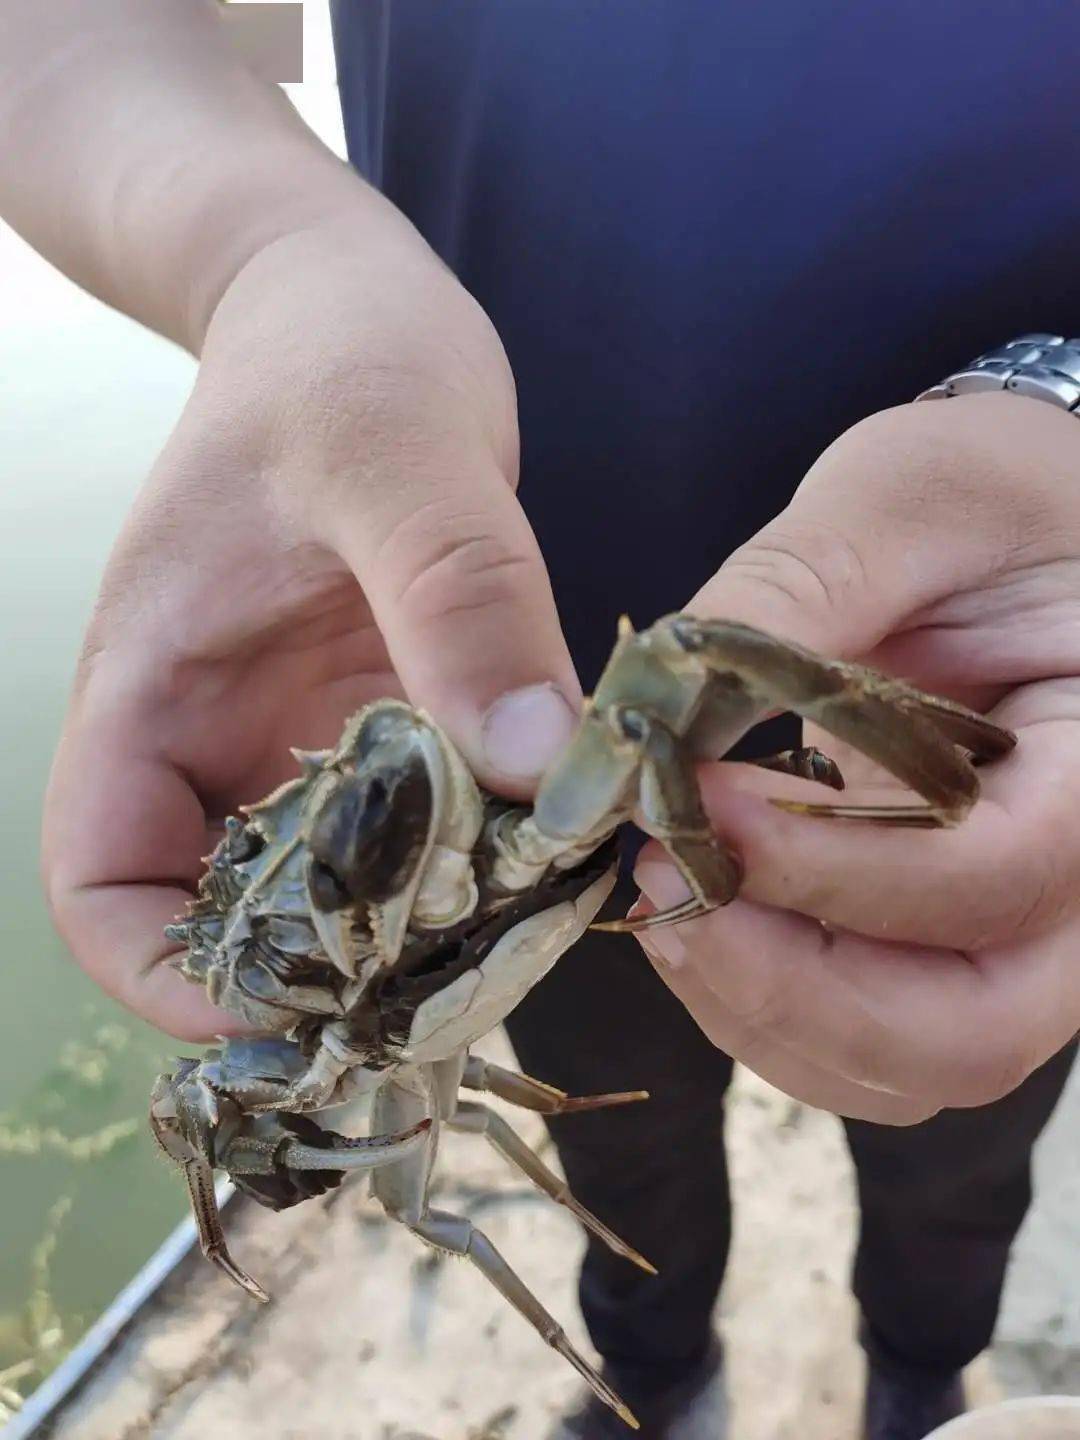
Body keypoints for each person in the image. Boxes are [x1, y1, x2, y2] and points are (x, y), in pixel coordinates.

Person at [5, 2, 1079, 1436]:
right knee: (606, 1133)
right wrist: (265, 252)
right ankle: (652, 1378)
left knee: (956, 1147)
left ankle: (919, 1372)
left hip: (985, 666)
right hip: (446, 721)